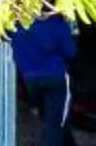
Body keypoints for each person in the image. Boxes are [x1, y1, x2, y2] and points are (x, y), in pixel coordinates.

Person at [8, 11, 77, 145]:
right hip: (56, 78)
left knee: (50, 117)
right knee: (55, 123)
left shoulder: (19, 27)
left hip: (29, 79)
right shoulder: (57, 25)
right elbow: (70, 52)